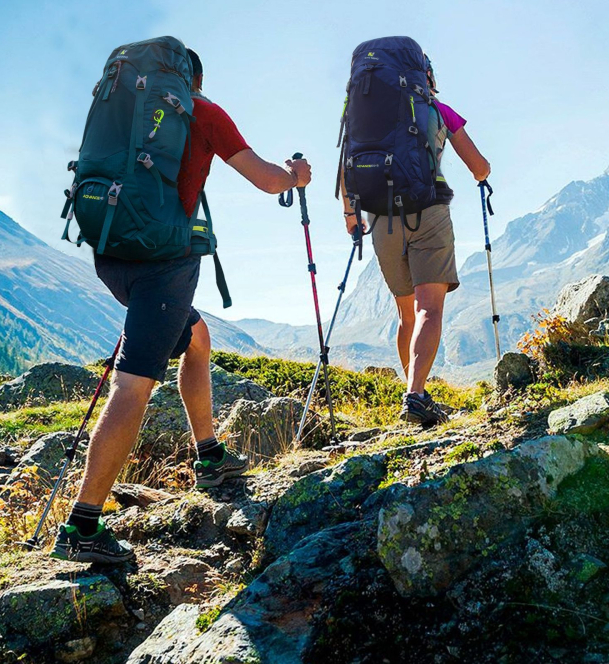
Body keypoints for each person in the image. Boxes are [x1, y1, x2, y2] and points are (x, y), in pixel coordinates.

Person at [52, 48, 312, 564]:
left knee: (197, 338)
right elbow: (266, 179)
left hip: (110, 252)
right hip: (164, 262)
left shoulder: (124, 112)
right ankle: (83, 524)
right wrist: (296, 175)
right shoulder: (203, 112)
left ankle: (209, 455)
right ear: (194, 79)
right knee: (134, 384)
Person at [341, 55, 490, 426]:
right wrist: (482, 173)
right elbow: (479, 166)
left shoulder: (367, 114)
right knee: (430, 310)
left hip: (381, 219)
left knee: (406, 313)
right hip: (429, 211)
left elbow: (346, 166)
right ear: (426, 76)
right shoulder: (438, 109)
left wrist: (350, 215)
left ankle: (415, 393)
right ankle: (415, 395)